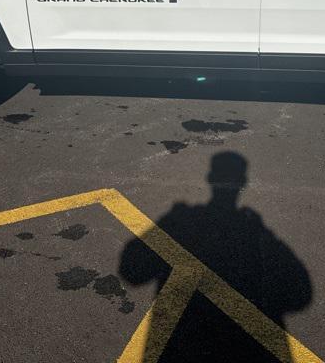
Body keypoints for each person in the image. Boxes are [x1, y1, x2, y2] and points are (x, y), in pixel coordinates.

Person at [119, 151, 312, 361]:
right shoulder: (253, 229)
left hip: (179, 348)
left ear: (210, 178)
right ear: (243, 181)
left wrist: (168, 222)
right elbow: (301, 295)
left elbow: (132, 271)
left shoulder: (187, 217)